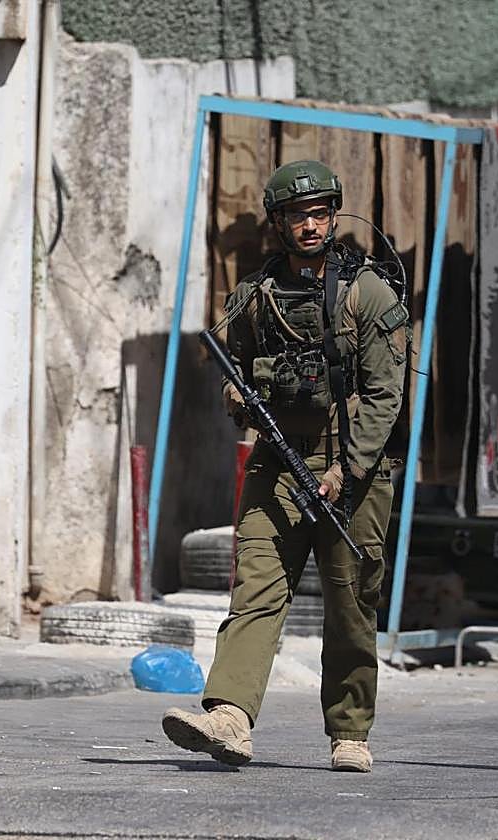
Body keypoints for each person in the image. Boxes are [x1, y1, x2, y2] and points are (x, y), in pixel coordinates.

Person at [161, 160, 408, 773]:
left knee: (351, 603)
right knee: (256, 595)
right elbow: (231, 373)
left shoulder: (368, 293)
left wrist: (344, 471)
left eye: (321, 213)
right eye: (299, 216)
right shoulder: (254, 297)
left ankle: (349, 733)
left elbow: (385, 395)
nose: (311, 225)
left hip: (356, 473)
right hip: (278, 465)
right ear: (279, 222)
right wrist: (237, 397)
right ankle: (229, 717)